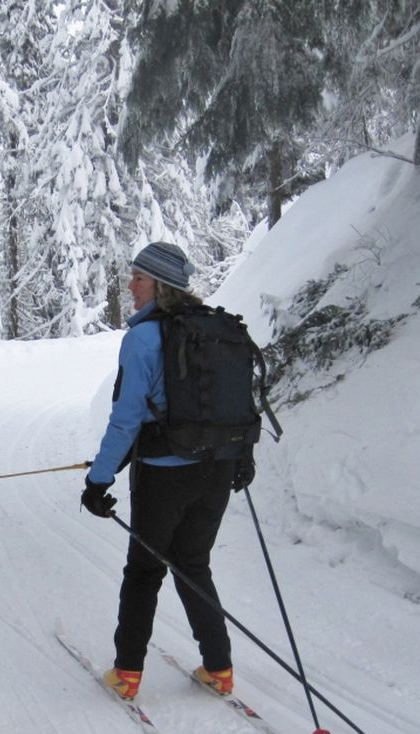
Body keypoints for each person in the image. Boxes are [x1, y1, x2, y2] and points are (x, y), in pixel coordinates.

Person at [81, 241, 252, 701]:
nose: (131, 286)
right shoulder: (215, 329)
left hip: (163, 472)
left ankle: (127, 674)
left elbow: (126, 418)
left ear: (161, 285)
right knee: (193, 563)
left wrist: (99, 480)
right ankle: (219, 668)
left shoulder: (142, 338)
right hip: (217, 467)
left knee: (144, 571)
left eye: (138, 278)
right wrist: (242, 455)